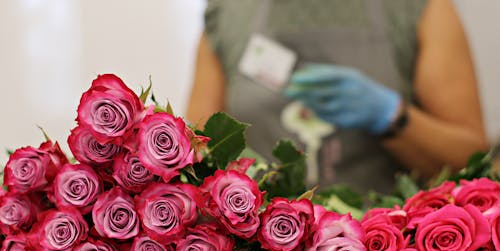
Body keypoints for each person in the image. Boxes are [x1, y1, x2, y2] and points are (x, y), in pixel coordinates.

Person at [186, 0, 488, 193]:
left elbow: (469, 160)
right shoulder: (229, 12)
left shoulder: (420, 7)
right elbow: (197, 156)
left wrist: (392, 117)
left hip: (386, 250)